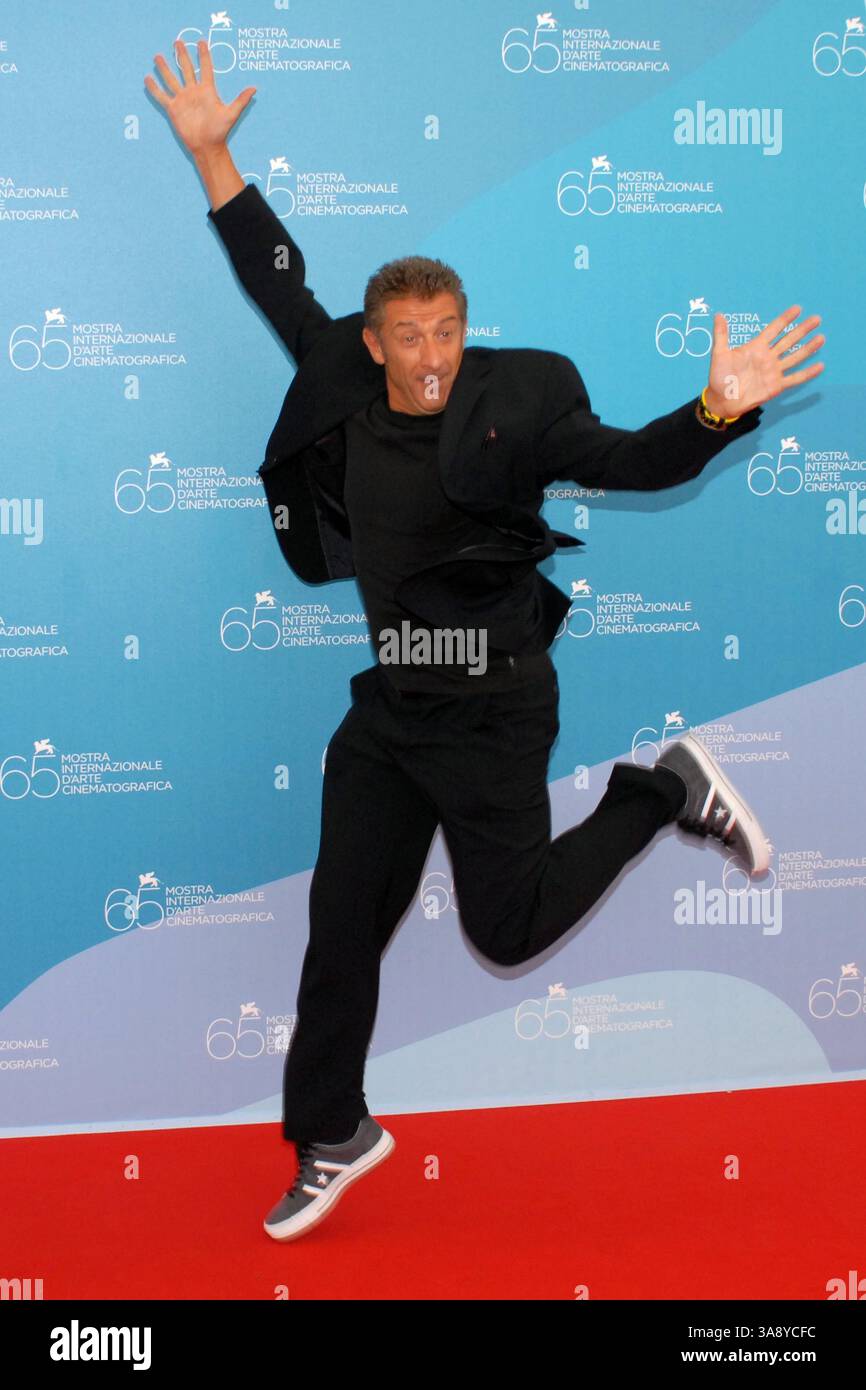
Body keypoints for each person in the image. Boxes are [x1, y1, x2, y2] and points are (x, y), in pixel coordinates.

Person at [146, 39, 826, 1244]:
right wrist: (214, 156)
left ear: (466, 329)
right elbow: (274, 277)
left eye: (446, 330)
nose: (430, 356)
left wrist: (717, 407)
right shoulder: (338, 378)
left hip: (495, 704)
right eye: (407, 334)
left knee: (502, 930)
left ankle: (655, 790)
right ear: (374, 340)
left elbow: (627, 460)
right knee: (339, 930)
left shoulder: (515, 406)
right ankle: (333, 1134)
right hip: (390, 715)